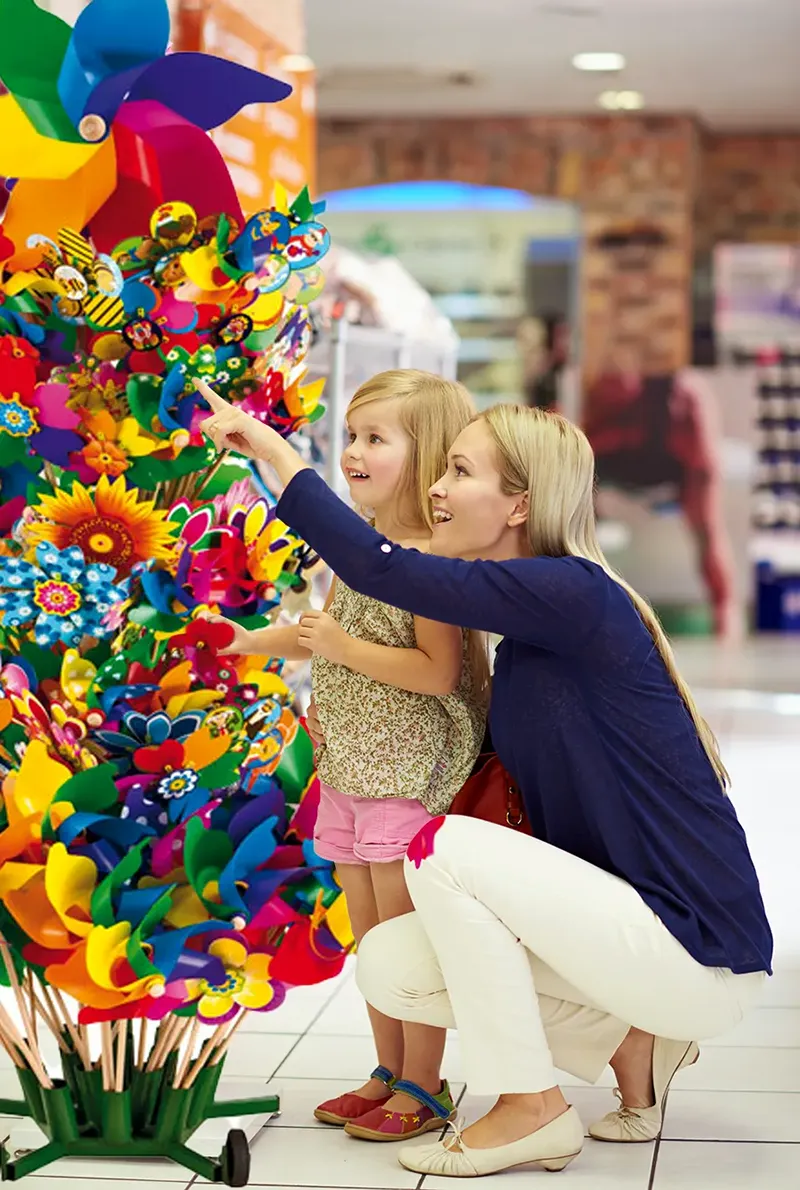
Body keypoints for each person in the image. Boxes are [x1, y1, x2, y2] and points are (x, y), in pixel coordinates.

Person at [196, 382, 772, 1180]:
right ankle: (629, 1039)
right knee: (391, 963)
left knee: (440, 849)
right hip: (627, 938)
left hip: (697, 949)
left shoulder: (575, 596)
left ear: (517, 506)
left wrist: (273, 451)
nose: (436, 486)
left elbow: (378, 566)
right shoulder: (532, 643)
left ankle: (529, 1107)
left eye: (460, 472)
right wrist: (345, 718)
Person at [200, 371, 488, 1144]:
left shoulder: (426, 562)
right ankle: (387, 1070)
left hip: (404, 777)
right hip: (352, 771)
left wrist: (343, 647)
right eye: (352, 436)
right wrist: (241, 641)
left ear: (423, 452)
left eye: (373, 438)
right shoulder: (369, 555)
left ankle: (426, 1085)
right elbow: (312, 637)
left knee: (406, 944)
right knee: (371, 940)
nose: (353, 453)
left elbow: (435, 671)